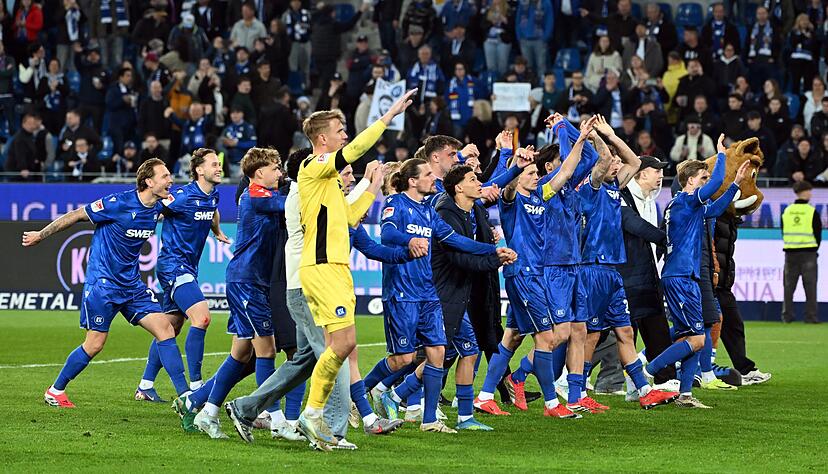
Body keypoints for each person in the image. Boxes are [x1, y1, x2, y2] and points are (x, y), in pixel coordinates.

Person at [224, 154, 403, 447]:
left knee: (305, 361)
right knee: (335, 354)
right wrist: (370, 183)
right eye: (336, 173)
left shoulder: (307, 195)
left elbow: (343, 210)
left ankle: (245, 408)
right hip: (308, 287)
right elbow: (343, 213)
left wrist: (368, 183)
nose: (341, 178)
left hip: (304, 287)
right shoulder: (301, 197)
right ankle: (331, 431)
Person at [288, 90, 415, 450]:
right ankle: (313, 415)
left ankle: (322, 422)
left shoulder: (329, 185)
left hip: (337, 268)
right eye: (340, 129)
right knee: (342, 344)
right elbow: (353, 151)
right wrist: (388, 115)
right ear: (322, 139)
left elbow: (350, 216)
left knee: (342, 346)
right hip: (322, 267)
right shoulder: (312, 167)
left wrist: (374, 184)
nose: (345, 135)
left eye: (346, 130)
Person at [24, 159, 189, 408]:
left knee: (165, 329)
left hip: (132, 286)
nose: (170, 180)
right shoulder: (118, 203)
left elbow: (200, 208)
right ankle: (56, 390)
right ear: (148, 181)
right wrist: (41, 234)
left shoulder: (159, 206)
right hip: (103, 285)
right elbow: (76, 215)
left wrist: (216, 227)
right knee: (95, 344)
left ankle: (186, 397)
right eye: (165, 176)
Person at [369, 158, 511, 434]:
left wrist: (491, 251)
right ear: (412, 181)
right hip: (405, 291)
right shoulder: (396, 205)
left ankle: (431, 418)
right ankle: (366, 391)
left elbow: (456, 241)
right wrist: (408, 241)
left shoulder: (429, 211)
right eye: (427, 174)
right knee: (404, 358)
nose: (433, 178)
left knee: (442, 352)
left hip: (429, 293)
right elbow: (387, 234)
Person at [475, 135, 593, 419]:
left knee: (512, 337)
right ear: (518, 178)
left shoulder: (542, 194)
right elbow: (504, 186)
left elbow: (565, 171)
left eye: (536, 173)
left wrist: (581, 139)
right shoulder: (510, 200)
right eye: (530, 174)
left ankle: (485, 395)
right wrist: (515, 164)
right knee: (547, 336)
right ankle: (552, 404)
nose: (535, 177)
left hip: (537, 274)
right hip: (523, 275)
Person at [178, 148, 285, 439]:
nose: (281, 173)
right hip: (247, 281)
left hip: (252, 280)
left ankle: (203, 408)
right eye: (276, 168)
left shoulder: (264, 195)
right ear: (259, 173)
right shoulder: (256, 195)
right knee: (267, 350)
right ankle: (274, 417)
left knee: (241, 353)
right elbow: (291, 205)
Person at [579, 115, 678, 409]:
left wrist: (610, 134)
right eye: (613, 163)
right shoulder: (593, 188)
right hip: (595, 268)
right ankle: (571, 387)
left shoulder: (614, 188)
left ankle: (643, 390)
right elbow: (607, 162)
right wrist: (597, 139)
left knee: (623, 332)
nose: (618, 164)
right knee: (588, 334)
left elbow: (634, 161)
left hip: (613, 271)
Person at [644, 135, 750, 408]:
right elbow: (714, 185)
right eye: (702, 178)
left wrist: (736, 183)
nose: (707, 183)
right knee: (696, 337)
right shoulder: (685, 202)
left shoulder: (691, 206)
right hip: (680, 276)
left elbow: (714, 209)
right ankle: (647, 370)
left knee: (694, 338)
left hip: (686, 276)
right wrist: (722, 157)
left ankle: (686, 394)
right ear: (691, 181)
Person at [135, 149, 229, 404]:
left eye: (219, 164)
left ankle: (145, 386)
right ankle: (197, 385)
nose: (219, 168)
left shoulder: (213, 195)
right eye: (213, 164)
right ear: (199, 170)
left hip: (188, 268)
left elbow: (213, 211)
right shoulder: (181, 196)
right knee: (202, 317)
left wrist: (217, 231)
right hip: (173, 267)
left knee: (170, 327)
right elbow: (155, 207)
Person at [430, 164, 519, 430]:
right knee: (426, 357)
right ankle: (395, 394)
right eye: (472, 179)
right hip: (443, 294)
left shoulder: (472, 212)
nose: (479, 182)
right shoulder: (447, 213)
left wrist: (494, 255)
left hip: (461, 293)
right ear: (459, 187)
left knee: (468, 351)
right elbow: (461, 258)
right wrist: (495, 257)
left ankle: (465, 417)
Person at [781, 181, 821, 324]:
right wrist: (813, 248)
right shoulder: (811, 211)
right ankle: (811, 317)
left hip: (790, 254)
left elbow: (783, 230)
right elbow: (818, 234)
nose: (810, 193)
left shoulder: (787, 211)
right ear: (803, 192)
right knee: (810, 287)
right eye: (809, 191)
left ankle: (787, 317)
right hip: (808, 253)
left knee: (788, 287)